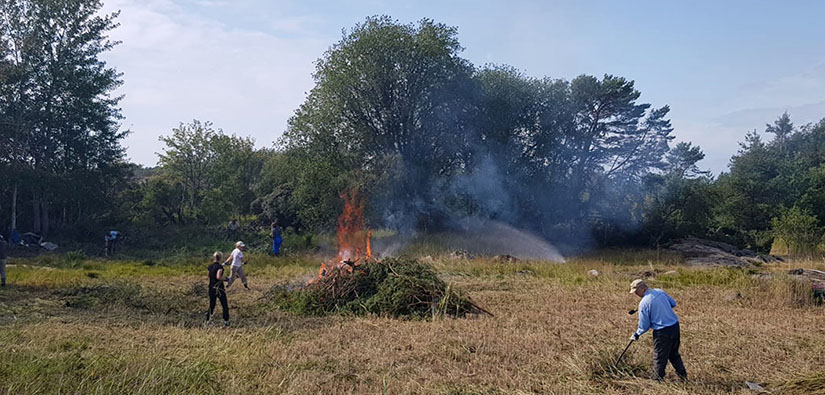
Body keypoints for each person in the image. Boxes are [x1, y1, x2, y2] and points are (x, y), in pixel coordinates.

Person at [629, 279, 687, 381]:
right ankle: (683, 376)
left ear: (642, 288)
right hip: (674, 327)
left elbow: (644, 325)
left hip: (662, 333)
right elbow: (673, 303)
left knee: (659, 357)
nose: (636, 294)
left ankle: (656, 380)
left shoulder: (643, 303)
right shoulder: (660, 292)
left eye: (636, 292)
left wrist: (636, 334)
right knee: (674, 354)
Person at [206, 251, 230, 327]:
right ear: (220, 258)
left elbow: (209, 276)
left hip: (211, 287)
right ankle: (226, 321)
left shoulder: (210, 266)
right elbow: (218, 277)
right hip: (219, 288)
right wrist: (226, 279)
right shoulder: (220, 267)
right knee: (224, 304)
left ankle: (208, 320)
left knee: (212, 304)